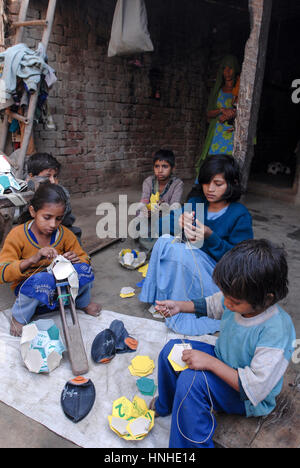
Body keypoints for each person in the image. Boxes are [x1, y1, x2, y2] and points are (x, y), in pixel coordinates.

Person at [151, 239, 296, 448]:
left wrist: (209, 363)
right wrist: (179, 306)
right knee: (171, 351)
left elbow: (253, 388)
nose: (227, 303)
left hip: (247, 397)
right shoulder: (238, 296)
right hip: (224, 362)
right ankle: (168, 404)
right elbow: (212, 304)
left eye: (234, 302)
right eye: (226, 295)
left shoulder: (276, 331)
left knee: (192, 381)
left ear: (266, 299)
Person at [139, 154, 253, 336]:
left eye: (218, 184)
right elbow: (166, 225)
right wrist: (159, 221)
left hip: (218, 276)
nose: (210, 189)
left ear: (232, 183)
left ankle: (189, 305)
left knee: (180, 252)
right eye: (207, 183)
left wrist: (210, 235)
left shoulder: (239, 214)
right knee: (165, 241)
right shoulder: (196, 203)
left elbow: (241, 261)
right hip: (194, 266)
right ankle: (162, 298)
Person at [0, 183, 101, 337]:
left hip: (60, 290)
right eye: (47, 217)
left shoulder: (65, 234)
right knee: (42, 279)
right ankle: (19, 316)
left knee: (84, 270)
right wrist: (32, 259)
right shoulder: (17, 235)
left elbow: (84, 258)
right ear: (33, 211)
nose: (53, 224)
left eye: (58, 219)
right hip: (32, 292)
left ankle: (83, 303)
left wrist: (76, 260)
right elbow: (3, 272)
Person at [195, 55, 240, 177]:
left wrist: (233, 114)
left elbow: (244, 114)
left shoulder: (240, 91)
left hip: (231, 133)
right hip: (217, 133)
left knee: (226, 164)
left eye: (230, 68)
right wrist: (221, 110)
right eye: (224, 68)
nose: (227, 72)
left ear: (235, 69)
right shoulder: (218, 90)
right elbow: (209, 113)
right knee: (213, 162)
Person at [26, 152, 82, 241]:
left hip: (61, 231)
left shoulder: (61, 193)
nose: (52, 181)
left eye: (55, 176)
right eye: (47, 176)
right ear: (31, 176)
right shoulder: (24, 193)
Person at [137, 149, 183, 252]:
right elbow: (143, 201)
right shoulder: (148, 182)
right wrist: (145, 210)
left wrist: (163, 210)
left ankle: (158, 245)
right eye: (157, 166)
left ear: (173, 168)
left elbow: (175, 206)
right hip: (150, 219)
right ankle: (153, 244)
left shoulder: (177, 184)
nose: (160, 170)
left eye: (165, 166)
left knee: (177, 215)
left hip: (166, 219)